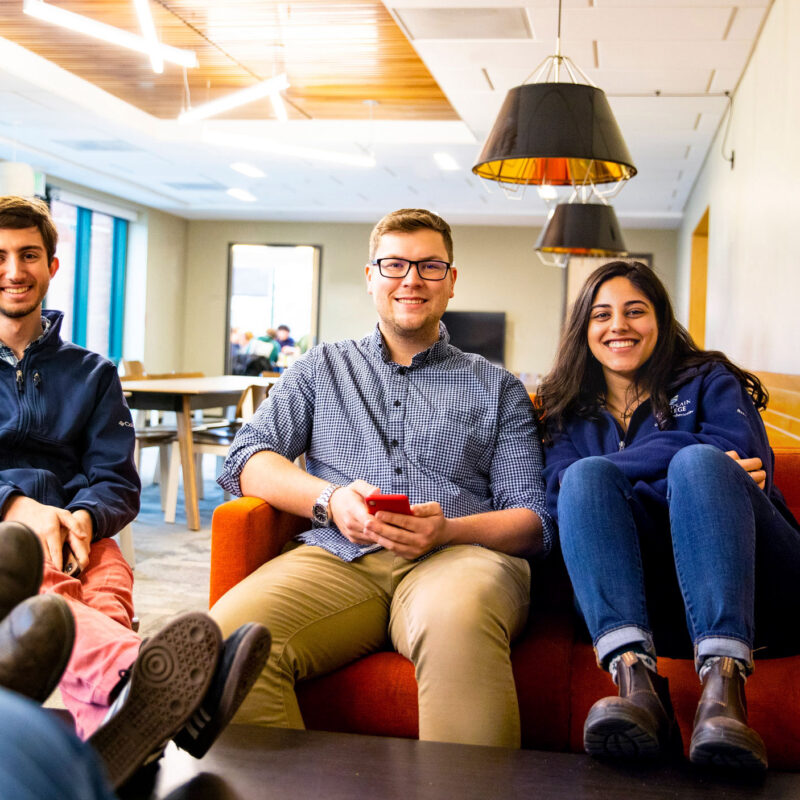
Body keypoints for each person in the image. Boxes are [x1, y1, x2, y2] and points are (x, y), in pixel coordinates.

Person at [210, 208, 554, 748]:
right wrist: (329, 499)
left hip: (460, 559)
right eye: (394, 264)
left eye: (430, 266)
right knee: (224, 642)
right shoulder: (320, 368)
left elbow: (533, 520)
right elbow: (246, 458)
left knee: (458, 622)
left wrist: (447, 532)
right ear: (370, 277)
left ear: (451, 281)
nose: (411, 279)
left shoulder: (498, 387)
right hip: (339, 556)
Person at [0, 197, 271, 784]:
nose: (14, 270)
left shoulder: (93, 372)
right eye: (0, 256)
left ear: (52, 265)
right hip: (4, 536)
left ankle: (116, 742)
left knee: (108, 586)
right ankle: (137, 677)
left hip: (78, 529)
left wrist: (83, 520)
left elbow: (117, 480)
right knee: (44, 589)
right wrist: (21, 508)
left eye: (28, 255)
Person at [536, 260, 800, 771]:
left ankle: (725, 693)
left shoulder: (709, 378)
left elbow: (741, 460)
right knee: (596, 479)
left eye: (636, 311)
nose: (619, 326)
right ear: (583, 329)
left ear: (660, 318)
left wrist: (631, 484)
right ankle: (637, 687)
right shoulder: (564, 408)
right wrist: (669, 471)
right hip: (650, 605)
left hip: (760, 586)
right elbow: (562, 497)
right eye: (602, 315)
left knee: (696, 465)